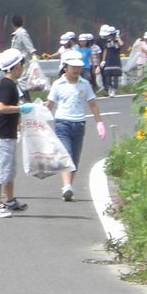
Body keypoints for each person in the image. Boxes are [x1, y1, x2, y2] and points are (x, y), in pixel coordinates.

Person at [46, 51, 106, 201]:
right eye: (73, 67)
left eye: (78, 67)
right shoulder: (57, 84)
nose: (76, 70)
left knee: (75, 158)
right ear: (65, 67)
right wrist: (39, 121)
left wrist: (99, 122)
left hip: (79, 123)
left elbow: (92, 104)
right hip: (62, 123)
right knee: (66, 154)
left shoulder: (85, 84)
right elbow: (50, 105)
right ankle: (66, 185)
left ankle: (68, 187)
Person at [0, 48, 29, 218]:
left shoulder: (11, 84)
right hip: (2, 135)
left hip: (9, 133)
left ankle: (10, 200)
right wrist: (21, 108)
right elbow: (1, 108)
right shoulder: (7, 84)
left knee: (10, 170)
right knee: (0, 170)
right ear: (18, 65)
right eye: (22, 65)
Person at [99, 25, 124, 96]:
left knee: (115, 76)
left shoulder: (117, 41)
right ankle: (109, 88)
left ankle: (114, 90)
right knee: (107, 76)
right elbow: (105, 51)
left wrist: (118, 38)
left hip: (116, 60)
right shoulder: (107, 42)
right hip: (108, 60)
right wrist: (103, 60)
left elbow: (121, 44)